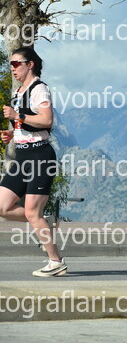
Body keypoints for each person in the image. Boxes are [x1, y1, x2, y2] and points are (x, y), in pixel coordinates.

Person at [0, 46, 66, 277]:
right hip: (22, 155)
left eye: (16, 63)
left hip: (40, 156)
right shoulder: (18, 92)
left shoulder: (40, 89)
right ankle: (45, 221)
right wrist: (12, 133)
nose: (12, 68)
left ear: (30, 65)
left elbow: (47, 120)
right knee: (2, 207)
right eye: (10, 64)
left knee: (31, 212)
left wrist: (17, 116)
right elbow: (27, 124)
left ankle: (56, 261)